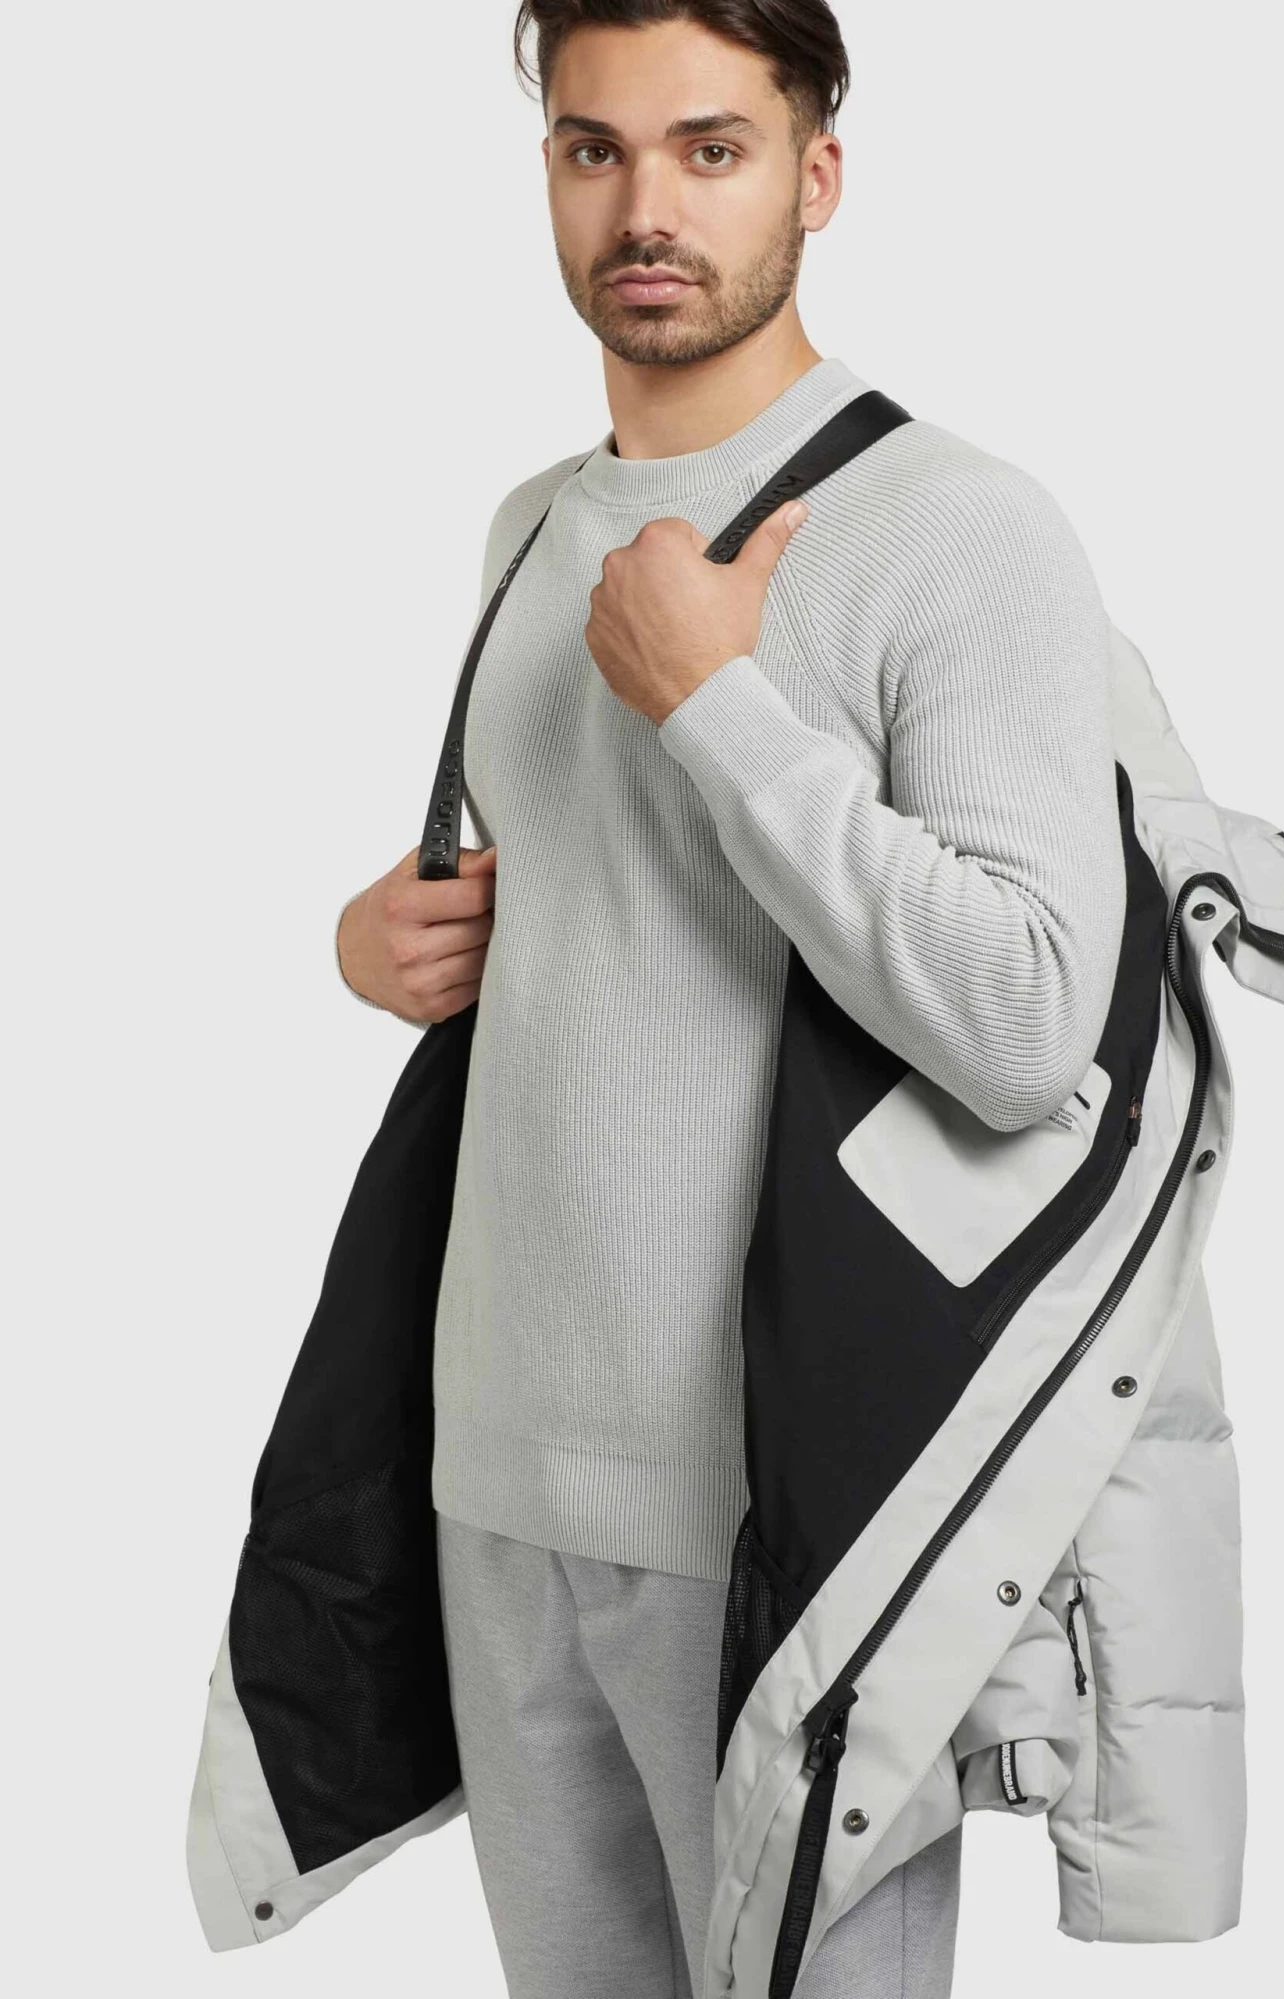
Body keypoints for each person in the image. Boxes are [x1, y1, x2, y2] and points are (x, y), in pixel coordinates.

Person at [334, 3, 1126, 1992]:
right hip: (497, 1474)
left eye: (711, 148)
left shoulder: (959, 526)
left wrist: (716, 703)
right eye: (593, 149)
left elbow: (1030, 1021)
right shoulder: (531, 523)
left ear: (816, 174)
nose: (646, 210)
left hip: (783, 1507)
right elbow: (607, 929)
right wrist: (388, 942)